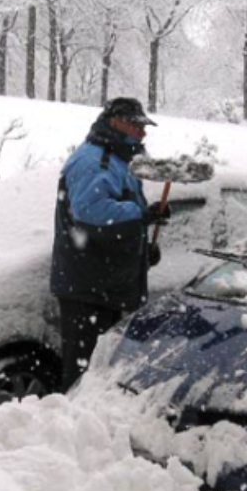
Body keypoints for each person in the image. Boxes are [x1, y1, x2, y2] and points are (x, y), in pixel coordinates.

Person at [50, 97, 170, 390]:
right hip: (89, 289)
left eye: (143, 127)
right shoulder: (94, 160)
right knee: (85, 376)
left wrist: (141, 250)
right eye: (136, 125)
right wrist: (143, 214)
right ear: (116, 122)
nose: (142, 133)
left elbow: (116, 223)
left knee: (104, 374)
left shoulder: (118, 159)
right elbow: (92, 214)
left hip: (108, 286)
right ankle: (73, 418)